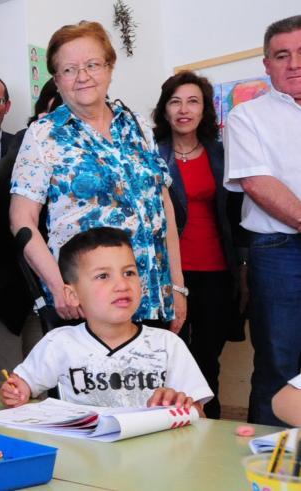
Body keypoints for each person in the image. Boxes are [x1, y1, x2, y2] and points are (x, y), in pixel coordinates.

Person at [10, 20, 187, 334]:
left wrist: (177, 286)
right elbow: (21, 220)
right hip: (89, 304)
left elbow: (164, 209)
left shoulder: (138, 127)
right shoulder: (43, 135)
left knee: (160, 384)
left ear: (109, 68)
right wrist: (57, 287)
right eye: (69, 69)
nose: (82, 77)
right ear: (56, 78)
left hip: (153, 296)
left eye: (92, 64)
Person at [0, 227, 212, 414]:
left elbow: (199, 414)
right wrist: (15, 391)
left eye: (129, 273)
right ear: (72, 295)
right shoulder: (59, 343)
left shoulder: (167, 344)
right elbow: (23, 386)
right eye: (103, 276)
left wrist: (184, 406)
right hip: (83, 452)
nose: (121, 284)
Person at [151, 71, 249, 419]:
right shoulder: (152, 155)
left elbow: (237, 216)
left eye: (193, 101)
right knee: (163, 359)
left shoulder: (221, 154)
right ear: (164, 110)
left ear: (204, 109)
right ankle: (163, 423)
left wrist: (242, 267)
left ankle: (209, 427)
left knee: (207, 358)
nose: (183, 109)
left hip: (216, 270)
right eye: (175, 101)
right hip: (167, 273)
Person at [224, 15, 301, 426]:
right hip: (280, 252)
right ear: (267, 64)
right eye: (282, 55)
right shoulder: (246, 117)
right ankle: (264, 470)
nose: (294, 64)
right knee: (279, 362)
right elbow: (256, 182)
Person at [0, 79, 61, 394]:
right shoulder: (27, 147)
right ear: (44, 114)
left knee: (45, 384)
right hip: (7, 284)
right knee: (1, 384)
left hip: (55, 290)